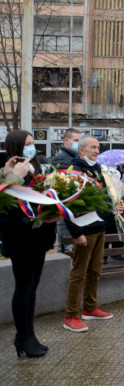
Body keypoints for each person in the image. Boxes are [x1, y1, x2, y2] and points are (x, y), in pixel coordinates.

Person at [0, 131, 58, 356]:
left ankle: (29, 334)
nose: (32, 148)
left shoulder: (37, 167)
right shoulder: (6, 169)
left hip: (39, 238)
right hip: (20, 240)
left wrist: (54, 213)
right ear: (15, 147)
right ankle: (23, 337)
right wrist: (12, 177)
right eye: (27, 145)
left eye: (33, 144)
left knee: (32, 288)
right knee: (23, 288)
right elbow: (6, 207)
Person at [63, 136, 124, 333]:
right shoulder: (75, 170)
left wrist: (116, 205)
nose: (97, 150)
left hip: (100, 227)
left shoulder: (98, 169)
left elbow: (105, 196)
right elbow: (68, 203)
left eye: (98, 147)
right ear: (81, 150)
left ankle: (89, 308)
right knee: (79, 273)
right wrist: (76, 232)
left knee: (95, 271)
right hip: (84, 229)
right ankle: (71, 315)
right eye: (92, 147)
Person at [51, 128, 82, 254]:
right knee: (65, 247)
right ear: (66, 141)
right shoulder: (63, 158)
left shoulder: (74, 157)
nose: (78, 144)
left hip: (72, 209)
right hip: (66, 209)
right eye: (76, 140)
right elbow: (63, 186)